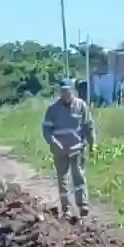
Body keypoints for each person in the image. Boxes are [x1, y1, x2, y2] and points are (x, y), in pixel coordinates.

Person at [42, 77, 96, 221]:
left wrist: (92, 144)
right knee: (63, 179)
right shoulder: (52, 109)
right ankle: (65, 209)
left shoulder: (81, 106)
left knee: (78, 176)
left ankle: (83, 205)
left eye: (67, 91)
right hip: (59, 150)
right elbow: (46, 129)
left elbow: (88, 126)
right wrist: (52, 141)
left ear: (73, 91)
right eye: (62, 91)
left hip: (77, 148)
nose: (65, 94)